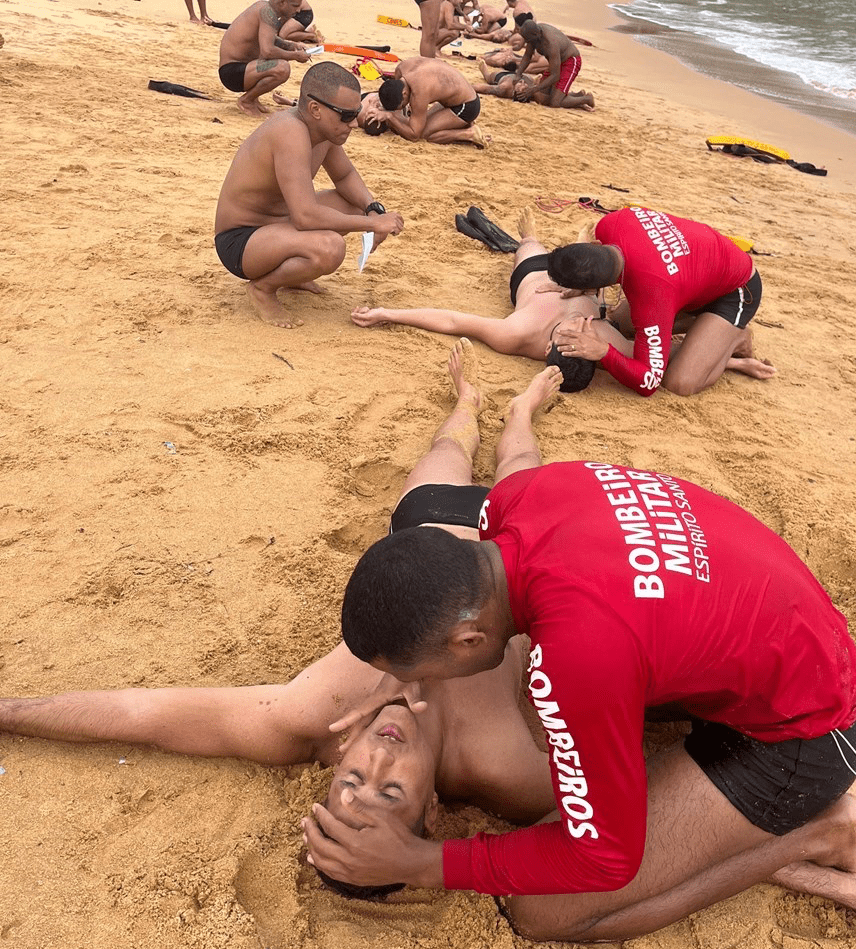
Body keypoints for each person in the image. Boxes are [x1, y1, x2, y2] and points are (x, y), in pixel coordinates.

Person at [0, 344, 564, 896]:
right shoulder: (502, 766)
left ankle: (467, 402)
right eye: (391, 792)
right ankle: (521, 410)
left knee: (451, 444)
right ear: (433, 810)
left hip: (426, 526)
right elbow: (619, 814)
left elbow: (142, 715)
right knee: (519, 462)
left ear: (335, 766)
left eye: (352, 778)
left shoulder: (314, 711)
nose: (379, 756)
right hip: (514, 544)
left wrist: (11, 713)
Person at [305, 461, 856, 943]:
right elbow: (423, 512)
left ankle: (817, 828)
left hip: (809, 732)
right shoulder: (523, 498)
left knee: (541, 911)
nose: (417, 691)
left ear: (468, 638)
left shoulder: (574, 663)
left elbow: (607, 858)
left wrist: (425, 863)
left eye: (422, 673)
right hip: (797, 643)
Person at [214, 62, 404, 329]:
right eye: (345, 115)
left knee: (354, 205)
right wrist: (372, 224)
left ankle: (292, 273)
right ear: (316, 109)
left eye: (356, 113)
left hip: (276, 224)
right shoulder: (290, 132)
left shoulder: (323, 130)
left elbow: (345, 176)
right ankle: (263, 288)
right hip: (240, 241)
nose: (353, 123)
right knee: (330, 248)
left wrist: (374, 208)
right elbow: (305, 217)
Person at [352, 208, 600, 391]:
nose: (580, 325)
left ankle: (530, 237)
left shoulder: (516, 334)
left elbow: (453, 321)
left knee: (529, 245)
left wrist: (386, 313)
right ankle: (580, 250)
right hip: (587, 280)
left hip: (534, 272)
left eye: (570, 334)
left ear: (548, 347)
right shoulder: (601, 339)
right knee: (593, 269)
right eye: (583, 334)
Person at [545, 207, 777, 396]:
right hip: (697, 275)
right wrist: (586, 282)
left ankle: (735, 337)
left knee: (680, 382)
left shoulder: (652, 299)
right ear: (595, 245)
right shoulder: (611, 222)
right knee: (621, 322)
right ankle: (709, 334)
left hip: (737, 291)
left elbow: (648, 381)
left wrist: (604, 352)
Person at [218, 0, 312, 116]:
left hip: (240, 69)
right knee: (282, 68)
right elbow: (267, 51)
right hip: (232, 73)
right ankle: (246, 100)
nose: (298, 10)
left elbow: (268, 37)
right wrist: (295, 56)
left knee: (277, 61)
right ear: (282, 3)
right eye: (295, 6)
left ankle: (253, 99)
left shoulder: (264, 8)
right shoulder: (268, 13)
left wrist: (292, 46)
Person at [374, 59, 488, 147]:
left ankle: (469, 133)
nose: (404, 107)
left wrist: (390, 116)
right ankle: (462, 123)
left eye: (403, 105)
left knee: (425, 135)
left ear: (404, 94)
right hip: (457, 95)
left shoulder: (419, 93)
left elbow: (414, 135)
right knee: (417, 122)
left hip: (467, 106)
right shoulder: (401, 69)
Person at [512, 20, 594, 110]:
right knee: (542, 97)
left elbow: (555, 75)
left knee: (555, 102)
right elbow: (527, 55)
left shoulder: (550, 43)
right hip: (555, 63)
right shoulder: (533, 36)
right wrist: (518, 74)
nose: (529, 44)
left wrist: (533, 89)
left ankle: (586, 99)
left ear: (537, 35)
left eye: (529, 41)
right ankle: (576, 95)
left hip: (570, 61)